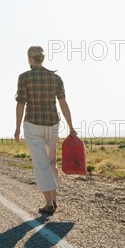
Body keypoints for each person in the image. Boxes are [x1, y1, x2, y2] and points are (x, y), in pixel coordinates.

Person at [14, 46, 77, 214]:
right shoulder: (55, 78)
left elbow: (21, 103)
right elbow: (63, 103)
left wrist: (17, 127)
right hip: (52, 124)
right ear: (42, 59)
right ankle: (54, 198)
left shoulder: (24, 77)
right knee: (51, 163)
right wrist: (71, 126)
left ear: (30, 59)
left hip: (33, 124)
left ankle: (49, 203)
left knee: (41, 165)